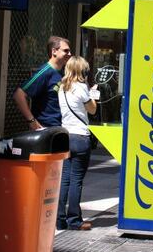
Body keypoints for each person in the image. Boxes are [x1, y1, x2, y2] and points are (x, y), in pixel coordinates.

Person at [56, 56, 97, 231]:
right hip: (80, 138)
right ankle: (74, 220)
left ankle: (59, 219)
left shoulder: (61, 88)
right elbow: (92, 110)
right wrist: (93, 94)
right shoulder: (81, 88)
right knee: (76, 180)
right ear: (83, 71)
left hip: (65, 136)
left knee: (64, 179)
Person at [13, 36, 71, 129]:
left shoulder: (64, 72)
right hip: (46, 129)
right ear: (54, 51)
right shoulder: (44, 72)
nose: (69, 54)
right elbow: (19, 95)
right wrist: (32, 121)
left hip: (61, 128)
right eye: (66, 51)